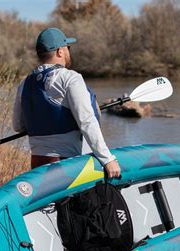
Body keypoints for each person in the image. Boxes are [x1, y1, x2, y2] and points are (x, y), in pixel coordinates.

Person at [12, 27, 121, 178]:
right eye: (67, 47)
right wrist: (107, 159)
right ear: (60, 52)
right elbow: (87, 122)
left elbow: (18, 126)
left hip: (37, 165)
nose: (69, 51)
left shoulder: (24, 84)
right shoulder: (70, 78)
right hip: (66, 165)